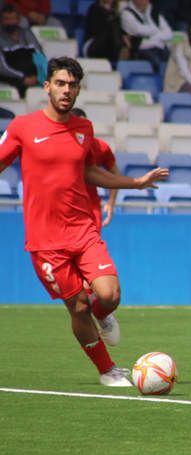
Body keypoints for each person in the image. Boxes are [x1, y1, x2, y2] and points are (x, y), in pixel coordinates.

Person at [0, 57, 168, 386]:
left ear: (78, 89)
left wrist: (135, 183)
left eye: (72, 85)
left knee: (109, 294)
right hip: (46, 241)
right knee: (77, 307)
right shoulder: (23, 127)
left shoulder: (83, 129)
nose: (66, 90)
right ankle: (107, 370)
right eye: (60, 83)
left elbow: (89, 171)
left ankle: (103, 316)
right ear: (46, 86)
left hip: (83, 230)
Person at [71, 107, 119, 228]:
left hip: (90, 207)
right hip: (65, 206)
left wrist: (111, 202)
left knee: (92, 245)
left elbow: (116, 175)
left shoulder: (100, 148)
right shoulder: (58, 146)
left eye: (84, 125)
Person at [0, 6, 43, 98]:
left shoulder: (27, 33)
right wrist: (23, 78)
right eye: (7, 19)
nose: (10, 22)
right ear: (1, 21)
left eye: (13, 19)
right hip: (12, 81)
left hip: (35, 79)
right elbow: (2, 67)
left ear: (18, 20)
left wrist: (38, 76)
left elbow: (40, 55)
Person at [120, 0, 174, 72]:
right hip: (141, 49)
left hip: (160, 47)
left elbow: (168, 33)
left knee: (173, 62)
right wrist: (158, 31)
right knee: (157, 63)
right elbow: (138, 30)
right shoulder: (126, 13)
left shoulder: (154, 13)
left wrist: (152, 37)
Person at [84, 0, 130, 65]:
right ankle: (119, 51)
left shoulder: (114, 12)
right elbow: (96, 31)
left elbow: (120, 30)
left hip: (111, 45)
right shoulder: (94, 8)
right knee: (112, 29)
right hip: (93, 44)